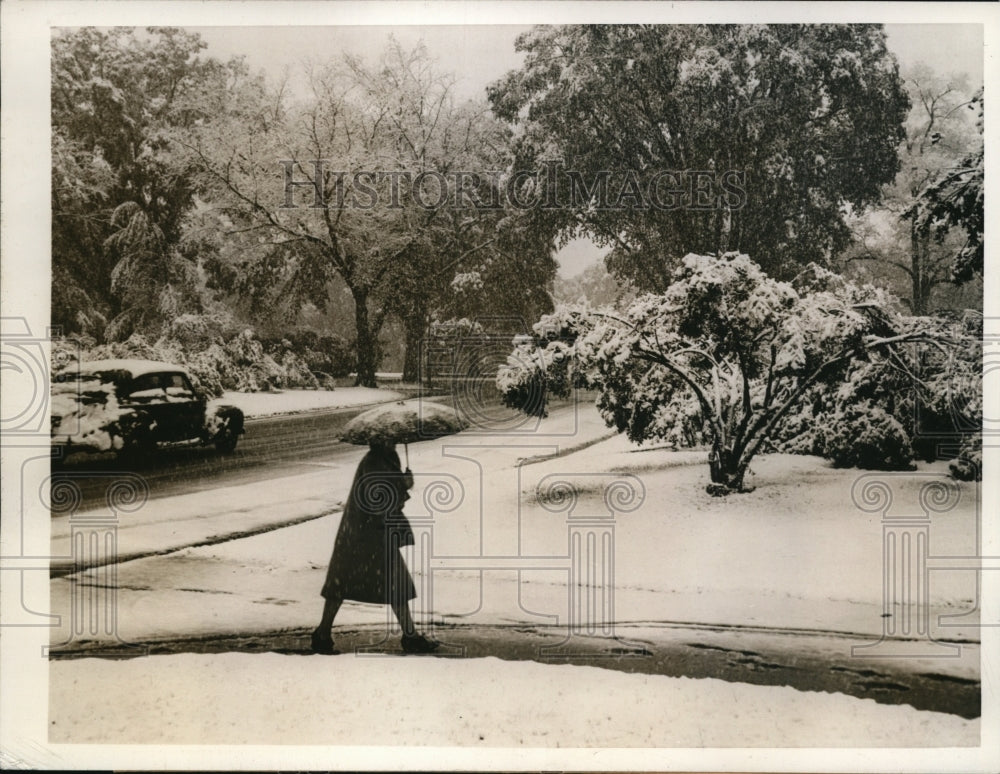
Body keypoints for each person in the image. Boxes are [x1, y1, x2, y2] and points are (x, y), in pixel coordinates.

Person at [312, 440, 439, 655]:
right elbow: (378, 501)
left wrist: (401, 485)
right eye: (390, 437)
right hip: (366, 535)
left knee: (351, 583)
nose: (395, 440)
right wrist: (403, 485)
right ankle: (323, 634)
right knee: (380, 584)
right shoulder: (375, 462)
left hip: (368, 533)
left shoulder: (385, 459)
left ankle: (323, 634)